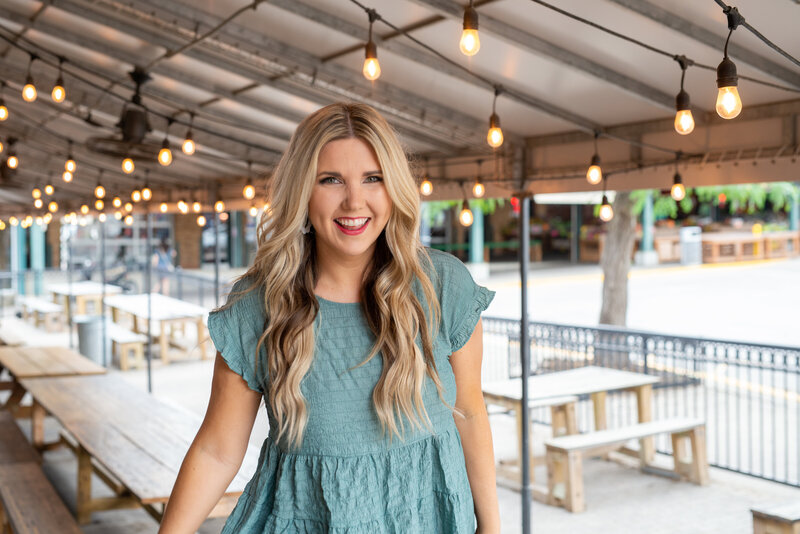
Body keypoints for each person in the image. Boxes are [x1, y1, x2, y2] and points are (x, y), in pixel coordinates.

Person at [159, 103, 501, 533]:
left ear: (393, 186)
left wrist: (492, 527)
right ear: (304, 191)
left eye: (372, 179)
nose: (354, 201)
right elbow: (217, 451)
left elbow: (469, 411)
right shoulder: (259, 305)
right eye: (331, 180)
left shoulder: (442, 285)